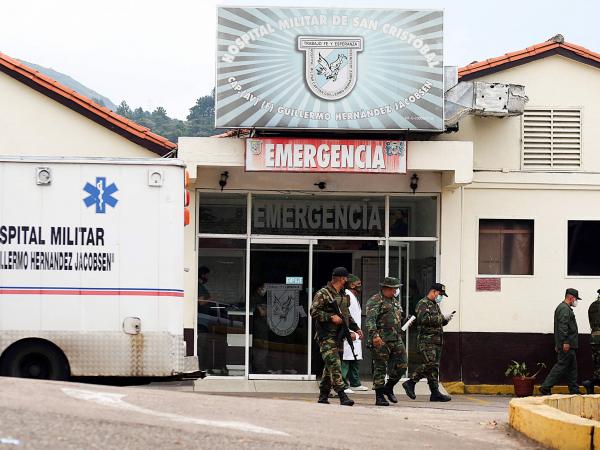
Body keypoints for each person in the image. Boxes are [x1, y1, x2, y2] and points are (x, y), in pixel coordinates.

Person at [310, 267, 363, 406]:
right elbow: (313, 311)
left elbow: (346, 315)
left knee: (329, 366)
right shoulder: (324, 293)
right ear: (341, 278)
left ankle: (323, 395)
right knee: (335, 364)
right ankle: (342, 394)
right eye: (345, 278)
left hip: (339, 336)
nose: (346, 280)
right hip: (326, 335)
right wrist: (330, 317)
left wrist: (356, 328)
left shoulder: (344, 294)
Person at [402, 282, 453, 402]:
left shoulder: (434, 304)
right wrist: (442, 318)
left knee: (433, 368)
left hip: (436, 340)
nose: (440, 297)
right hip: (426, 341)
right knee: (430, 364)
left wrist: (446, 319)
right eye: (439, 294)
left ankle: (435, 393)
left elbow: (437, 321)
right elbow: (424, 319)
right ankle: (411, 382)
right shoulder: (422, 303)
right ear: (433, 292)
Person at [366, 276, 408, 406]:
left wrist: (405, 323)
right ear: (387, 288)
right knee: (380, 368)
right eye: (394, 288)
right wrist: (375, 336)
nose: (396, 291)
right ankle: (379, 396)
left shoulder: (395, 301)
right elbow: (370, 320)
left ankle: (388, 387)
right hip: (381, 340)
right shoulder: (375, 300)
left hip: (396, 338)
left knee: (403, 365)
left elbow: (396, 319)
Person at [540, 288, 582, 395]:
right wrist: (565, 342)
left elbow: (559, 327)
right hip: (567, 344)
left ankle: (574, 390)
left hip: (568, 344)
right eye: (575, 299)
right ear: (571, 297)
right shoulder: (564, 309)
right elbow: (563, 327)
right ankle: (545, 387)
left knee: (572, 368)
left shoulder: (564, 308)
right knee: (561, 366)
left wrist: (559, 343)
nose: (576, 301)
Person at [342, 274, 368, 393]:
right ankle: (342, 384)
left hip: (355, 333)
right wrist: (350, 331)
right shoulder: (347, 296)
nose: (360, 286)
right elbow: (345, 316)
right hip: (349, 334)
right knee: (346, 359)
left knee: (354, 358)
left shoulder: (353, 296)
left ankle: (355, 383)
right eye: (358, 284)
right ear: (352, 285)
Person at [583, 290, 600, 394]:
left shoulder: (592, 306)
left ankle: (590, 384)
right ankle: (590, 383)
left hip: (594, 339)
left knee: (597, 366)